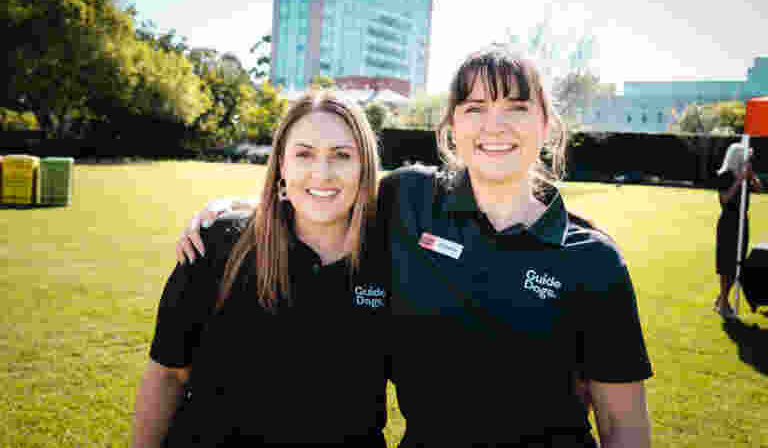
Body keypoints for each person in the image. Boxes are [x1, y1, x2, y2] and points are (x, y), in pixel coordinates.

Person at [176, 45, 654, 447]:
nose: (495, 125)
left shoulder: (594, 260)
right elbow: (326, 192)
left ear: (546, 124)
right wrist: (239, 205)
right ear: (450, 128)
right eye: (475, 109)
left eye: (516, 107)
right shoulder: (408, 199)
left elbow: (622, 424)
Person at [132, 91, 390, 447]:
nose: (322, 172)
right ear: (281, 164)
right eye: (304, 154)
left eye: (342, 155)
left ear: (364, 166)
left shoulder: (393, 256)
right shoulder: (220, 243)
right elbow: (167, 375)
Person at [713, 142, 763, 318]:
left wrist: (751, 176)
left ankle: (721, 298)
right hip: (728, 223)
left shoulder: (746, 175)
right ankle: (724, 304)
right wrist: (739, 180)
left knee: (739, 264)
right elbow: (725, 199)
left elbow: (759, 189)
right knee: (727, 264)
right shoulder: (725, 175)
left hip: (743, 222)